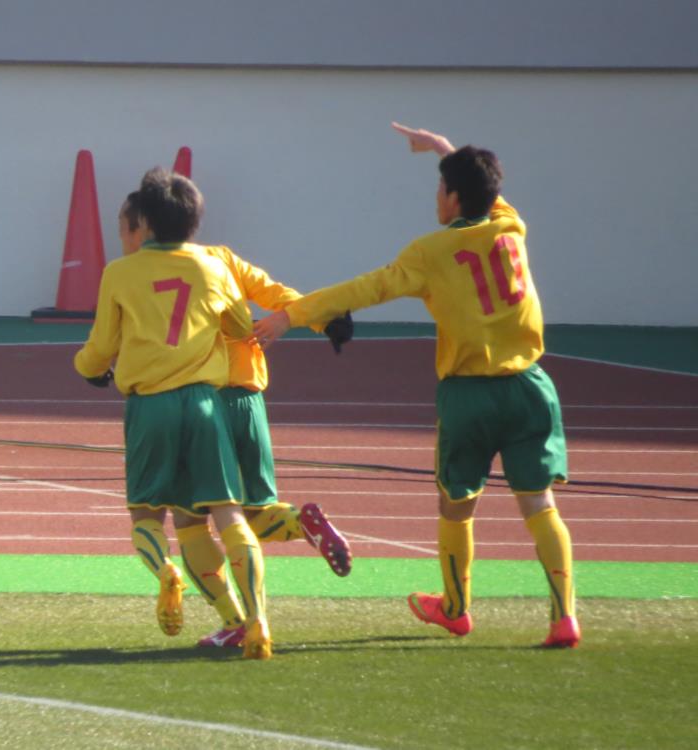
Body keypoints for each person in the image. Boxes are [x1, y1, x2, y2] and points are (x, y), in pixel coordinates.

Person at [254, 123, 579, 648]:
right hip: (530, 387)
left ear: (453, 196)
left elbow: (365, 288)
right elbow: (486, 190)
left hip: (470, 394)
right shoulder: (510, 225)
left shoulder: (431, 252)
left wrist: (291, 315)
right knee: (539, 504)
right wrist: (443, 149)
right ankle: (564, 617)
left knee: (456, 504)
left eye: (440, 187)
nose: (436, 196)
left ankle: (455, 608)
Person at [116, 193, 354, 649]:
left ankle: (235, 620)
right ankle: (300, 523)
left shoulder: (143, 272)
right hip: (248, 398)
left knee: (190, 522)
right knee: (255, 513)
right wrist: (321, 319)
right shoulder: (222, 259)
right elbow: (275, 294)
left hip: (202, 400)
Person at [74, 168, 272, 659]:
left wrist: (87, 368)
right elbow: (240, 326)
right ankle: (258, 621)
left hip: (150, 404)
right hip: (205, 403)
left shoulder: (120, 273)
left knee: (146, 512)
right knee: (228, 511)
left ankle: (166, 570)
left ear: (144, 222)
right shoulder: (212, 266)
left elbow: (101, 347)